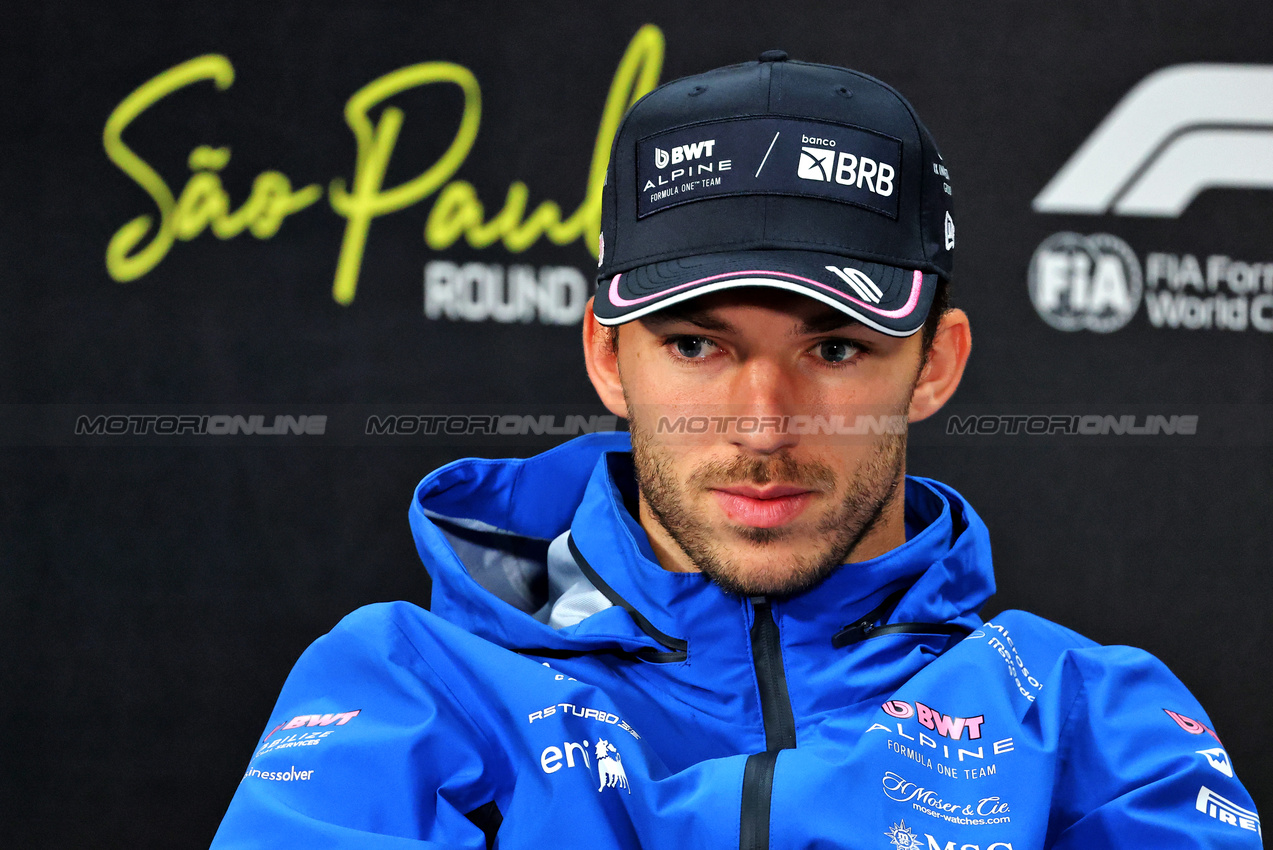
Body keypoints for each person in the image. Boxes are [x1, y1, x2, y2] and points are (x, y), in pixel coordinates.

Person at [212, 52, 1261, 849]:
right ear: (608, 358)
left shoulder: (1091, 716)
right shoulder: (410, 687)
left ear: (935, 364)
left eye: (835, 347)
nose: (762, 424)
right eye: (696, 344)